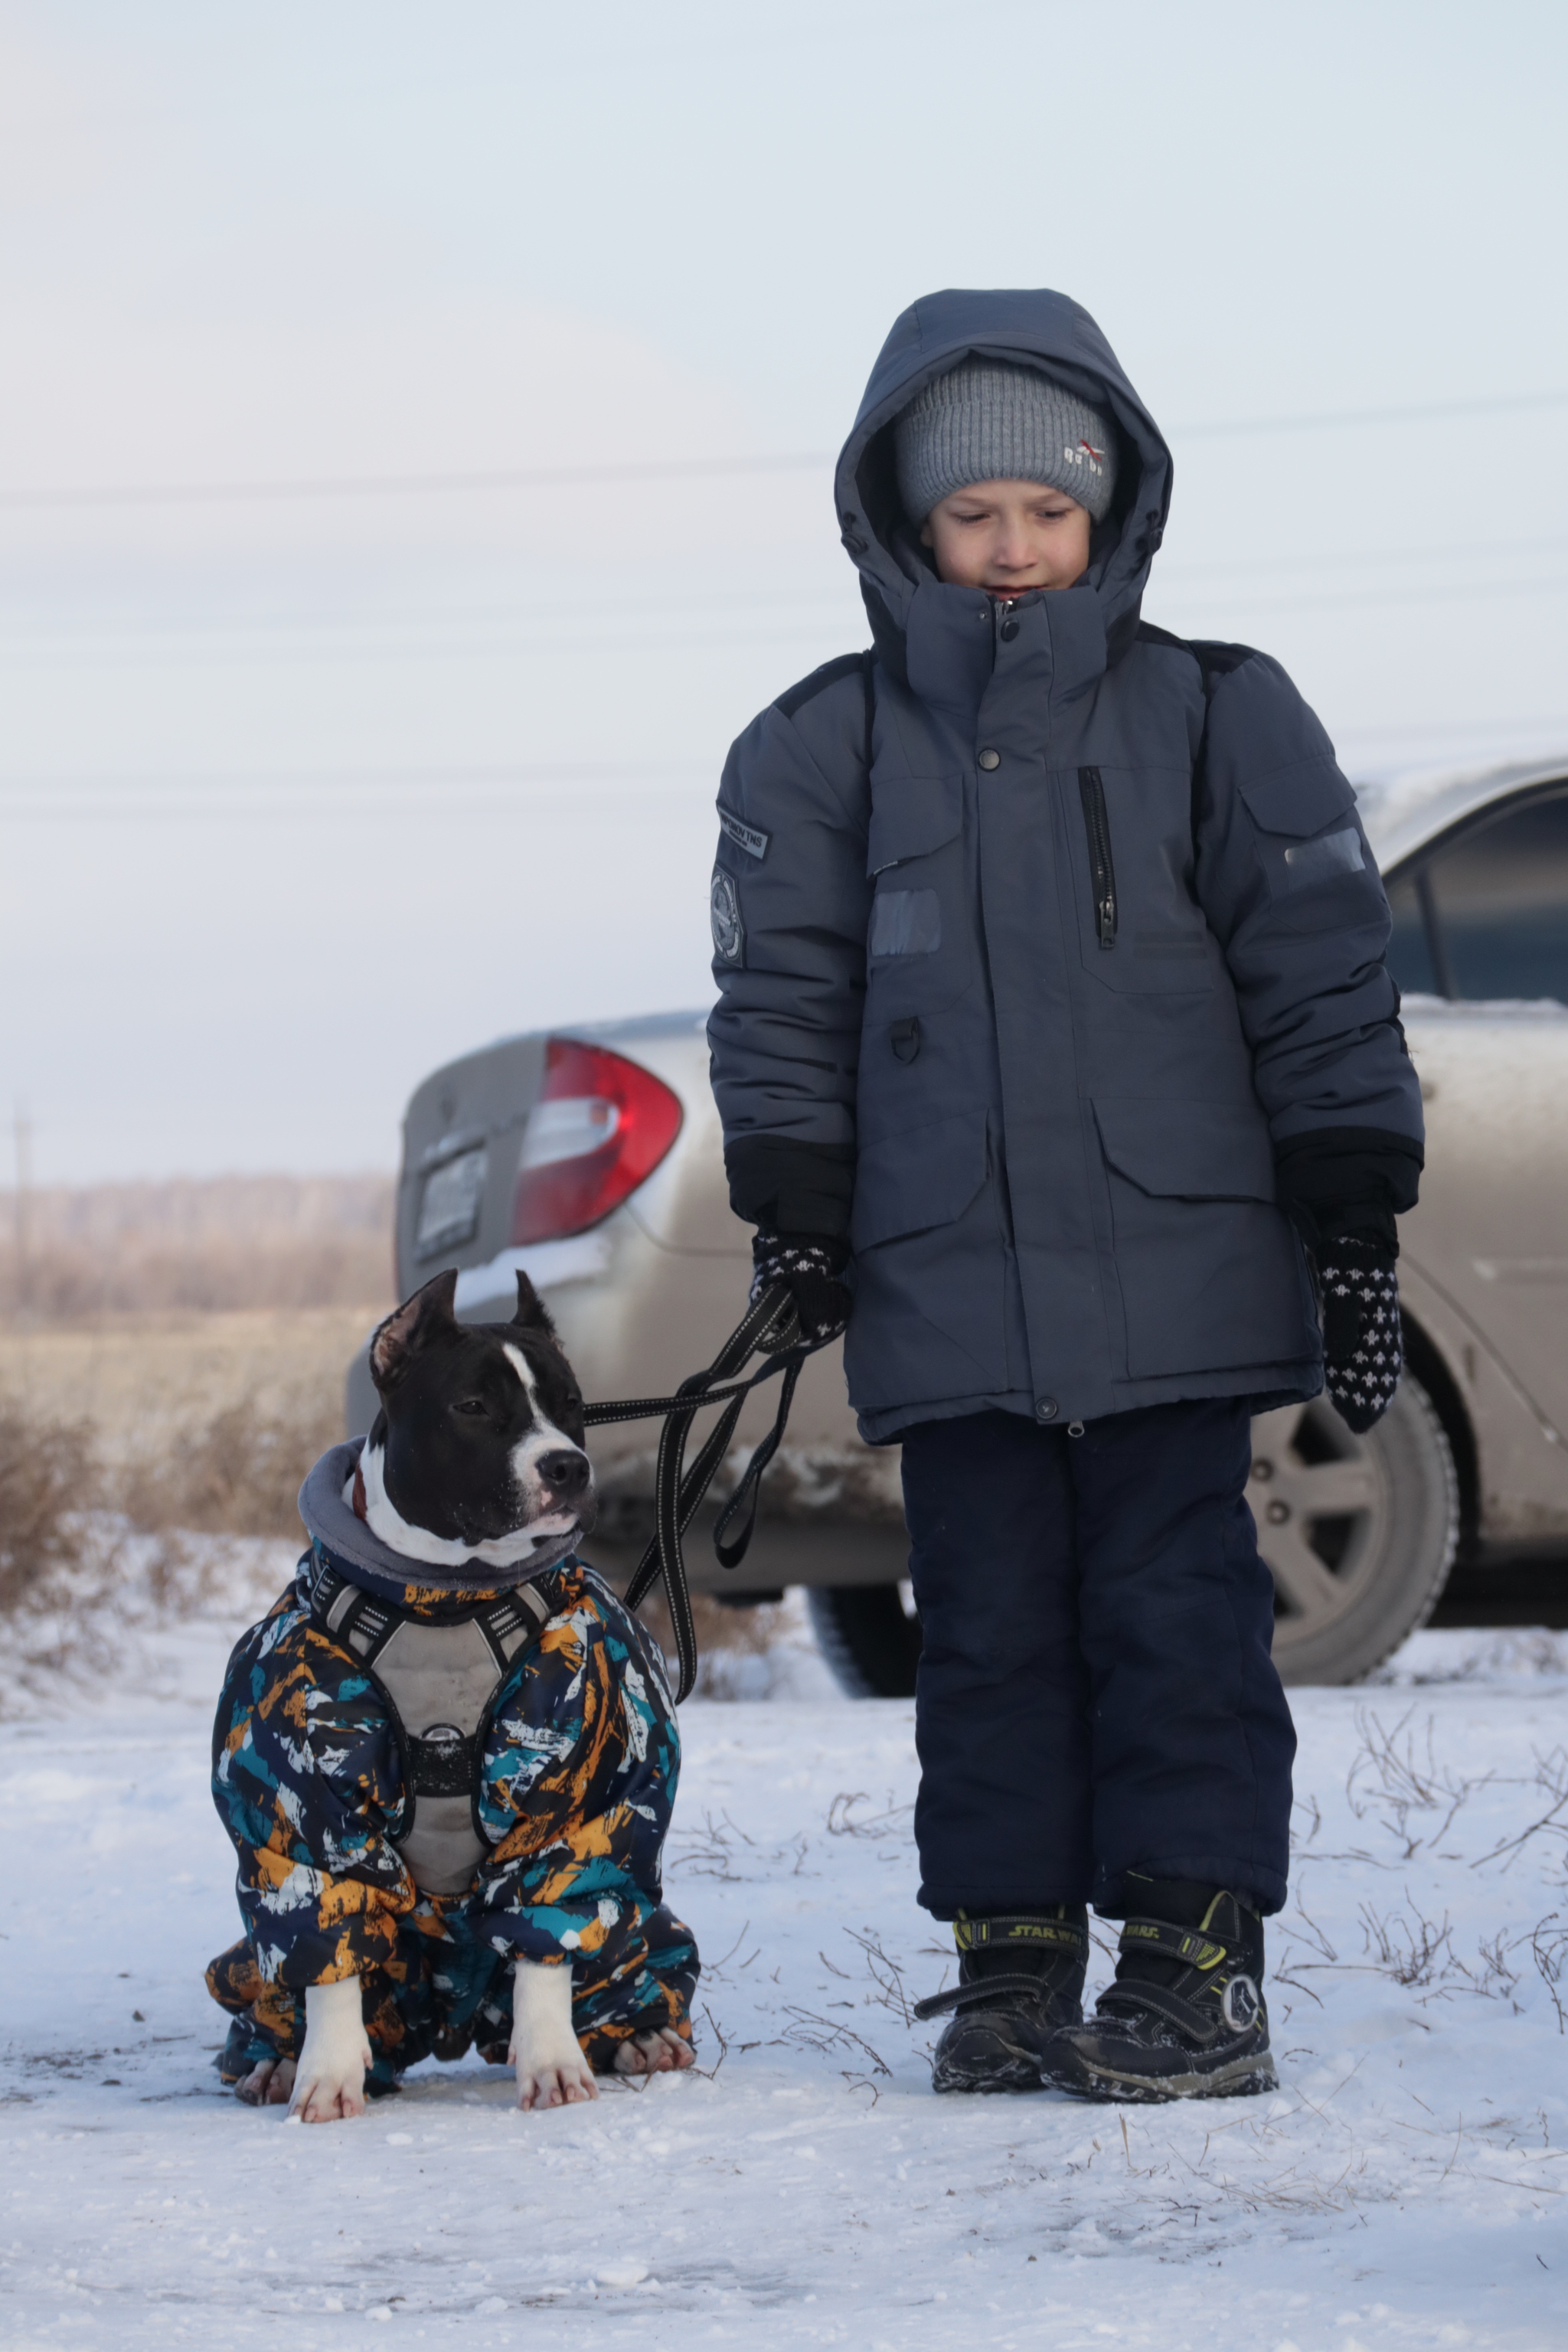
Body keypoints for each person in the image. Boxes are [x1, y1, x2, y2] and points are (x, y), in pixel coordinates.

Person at [705, 288, 1422, 2101]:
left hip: (1178, 1277)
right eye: (973, 514)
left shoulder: (1218, 714)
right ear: (902, 522)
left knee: (1180, 1619)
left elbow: (1322, 972)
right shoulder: (824, 746)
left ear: (1110, 512)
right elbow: (780, 998)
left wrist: (1350, 1206)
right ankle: (1012, 1960)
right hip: (950, 1279)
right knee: (989, 1633)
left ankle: (1195, 1965)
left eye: (1048, 509)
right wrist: (798, 1206)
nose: (1013, 548)